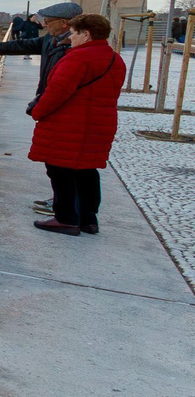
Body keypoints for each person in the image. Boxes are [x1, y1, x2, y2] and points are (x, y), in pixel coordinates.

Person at [0, 1, 82, 216]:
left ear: (64, 23)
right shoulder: (51, 40)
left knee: (64, 163)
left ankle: (69, 209)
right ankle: (64, 202)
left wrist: (39, 108)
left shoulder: (74, 48)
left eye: (49, 21)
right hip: (53, 109)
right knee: (56, 162)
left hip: (65, 112)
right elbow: (23, 45)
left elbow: (65, 88)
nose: (44, 24)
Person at [28, 14, 126, 236]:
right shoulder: (115, 59)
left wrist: (37, 112)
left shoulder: (77, 59)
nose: (71, 38)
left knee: (60, 170)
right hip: (99, 124)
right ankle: (88, 220)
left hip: (70, 124)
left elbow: (56, 93)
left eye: (74, 33)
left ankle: (66, 219)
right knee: (86, 171)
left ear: (86, 34)